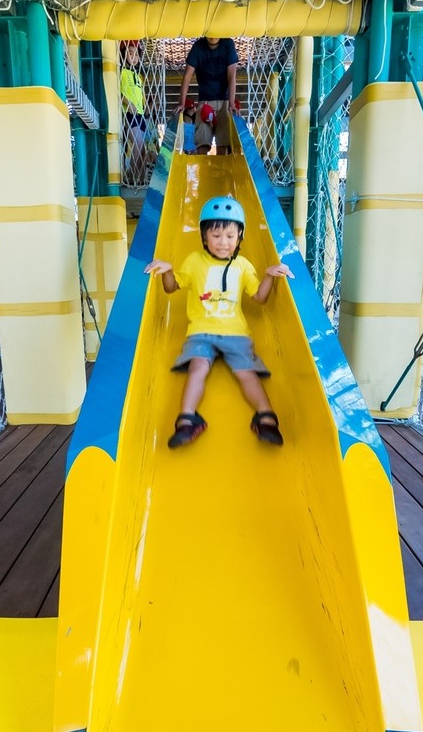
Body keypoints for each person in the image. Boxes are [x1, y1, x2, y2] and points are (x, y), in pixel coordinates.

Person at [145, 196, 294, 449]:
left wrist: (269, 275)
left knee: (246, 373)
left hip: (236, 334)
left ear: (239, 238)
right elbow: (171, 288)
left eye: (229, 236)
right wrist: (167, 270)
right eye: (216, 236)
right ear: (204, 237)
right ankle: (187, 418)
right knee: (197, 368)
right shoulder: (194, 261)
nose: (223, 243)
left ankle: (266, 416)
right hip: (201, 333)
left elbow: (259, 297)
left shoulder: (243, 266)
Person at [176, 37, 238, 154]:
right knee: (202, 143)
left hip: (224, 102)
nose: (213, 35)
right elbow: (187, 76)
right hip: (205, 102)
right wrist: (181, 103)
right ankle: (203, 170)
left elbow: (232, 75)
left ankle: (221, 171)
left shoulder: (228, 44)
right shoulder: (198, 46)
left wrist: (232, 103)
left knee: (223, 144)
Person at [120, 39, 148, 185]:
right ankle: (133, 176)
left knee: (142, 148)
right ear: (123, 54)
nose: (134, 57)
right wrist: (127, 102)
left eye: (136, 54)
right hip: (129, 113)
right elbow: (116, 92)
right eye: (130, 53)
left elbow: (141, 97)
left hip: (141, 115)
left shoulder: (139, 77)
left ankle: (141, 179)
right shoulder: (121, 72)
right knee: (137, 145)